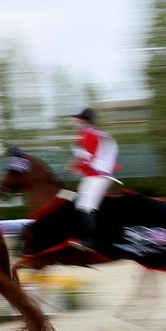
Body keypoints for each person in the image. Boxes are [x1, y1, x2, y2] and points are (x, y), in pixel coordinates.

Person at [66, 108, 119, 253]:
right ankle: (81, 237)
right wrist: (76, 166)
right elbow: (85, 156)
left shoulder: (91, 134)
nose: (76, 121)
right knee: (78, 203)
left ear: (85, 120)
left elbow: (89, 157)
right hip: (91, 175)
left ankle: (90, 242)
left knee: (87, 205)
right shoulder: (85, 134)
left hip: (99, 175)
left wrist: (74, 166)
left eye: (79, 119)